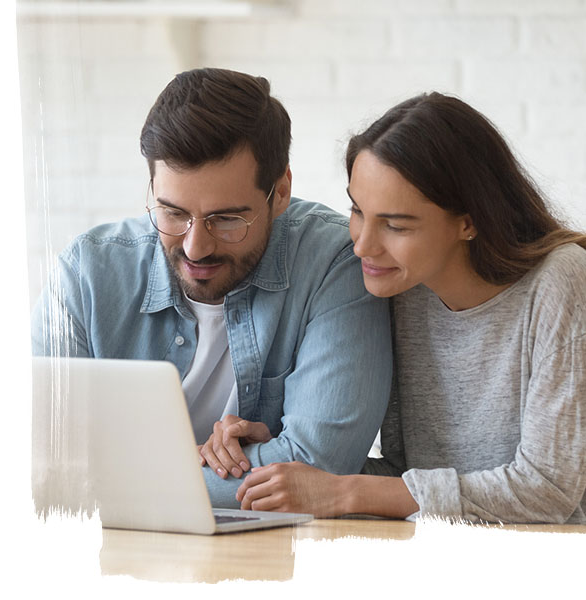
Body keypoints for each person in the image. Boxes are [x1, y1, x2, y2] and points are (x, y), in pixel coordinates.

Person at [31, 68, 392, 507]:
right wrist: (241, 460)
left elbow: (320, 466)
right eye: (172, 212)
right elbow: (41, 461)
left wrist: (118, 481)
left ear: (279, 192)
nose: (195, 247)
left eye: (226, 219)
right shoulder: (86, 275)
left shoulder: (334, 262)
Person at [236, 92, 586, 523]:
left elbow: (547, 491)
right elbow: (408, 479)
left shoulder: (561, 280)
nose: (361, 245)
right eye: (358, 211)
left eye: (396, 225)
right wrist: (282, 462)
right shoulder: (404, 290)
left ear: (469, 221)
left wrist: (345, 491)